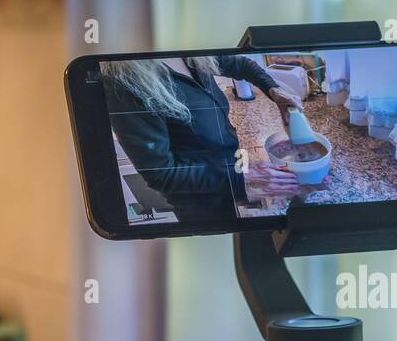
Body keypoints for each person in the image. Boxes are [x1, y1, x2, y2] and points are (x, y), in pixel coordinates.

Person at [102, 55, 305, 222]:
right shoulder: (125, 82)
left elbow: (241, 64)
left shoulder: (187, 49)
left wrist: (273, 90)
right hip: (198, 198)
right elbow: (161, 175)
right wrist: (240, 178)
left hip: (225, 169)